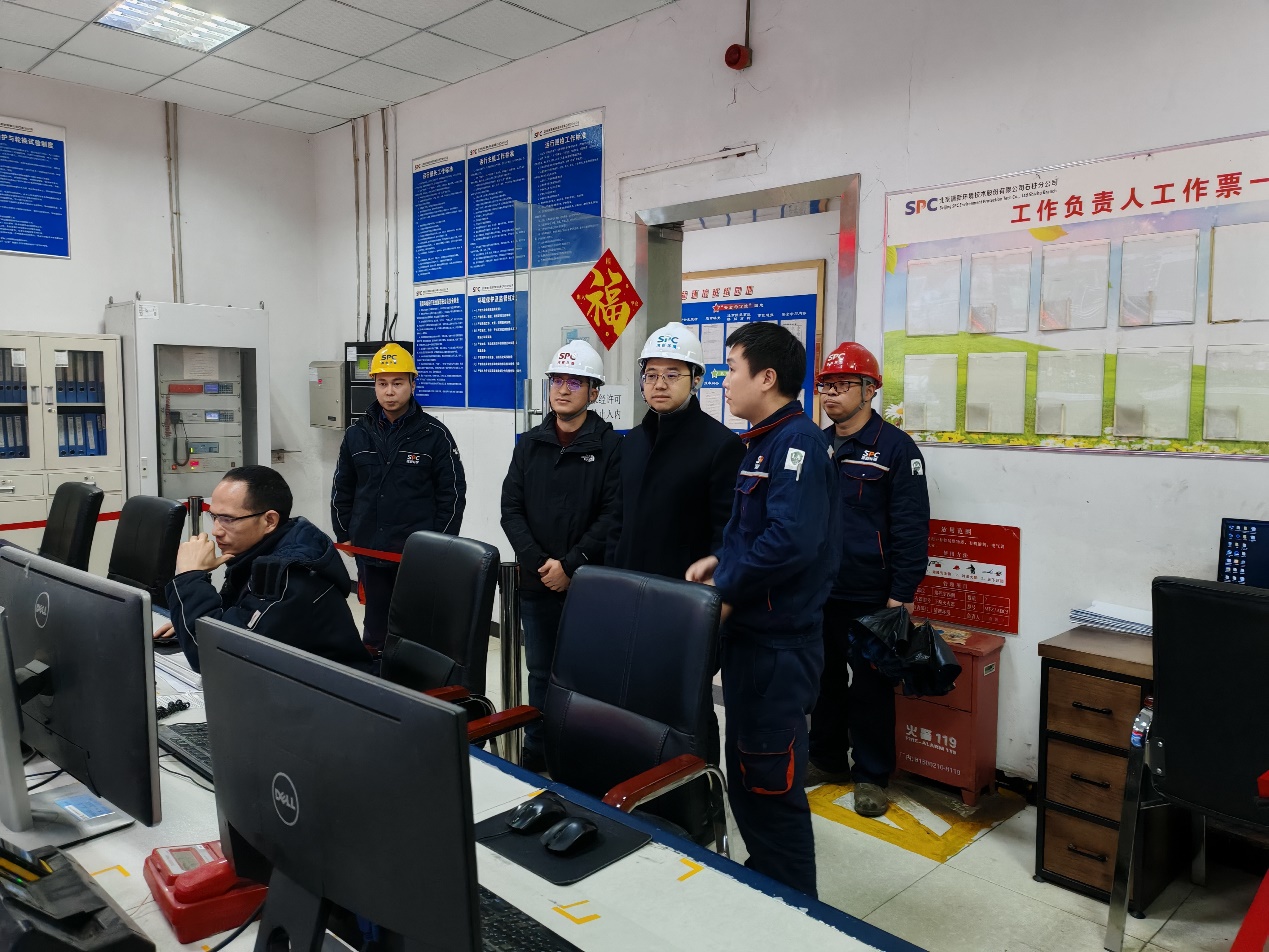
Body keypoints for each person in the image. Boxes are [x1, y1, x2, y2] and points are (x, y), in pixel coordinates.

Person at [685, 322, 838, 898]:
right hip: (754, 641)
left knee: (771, 783)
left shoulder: (797, 445)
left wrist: (725, 587)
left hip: (778, 647)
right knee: (750, 775)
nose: (725, 382)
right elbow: (757, 535)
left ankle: (795, 905)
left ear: (767, 377)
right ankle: (768, 882)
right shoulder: (764, 442)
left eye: (731, 370)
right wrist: (719, 560)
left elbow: (791, 542)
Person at [806, 341, 930, 817]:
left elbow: (911, 525)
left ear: (870, 390)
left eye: (843, 384)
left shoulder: (897, 449)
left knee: (872, 687)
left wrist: (903, 593)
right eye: (826, 385)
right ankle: (826, 758)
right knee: (824, 679)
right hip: (821, 589)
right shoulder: (815, 444)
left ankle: (872, 775)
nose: (831, 393)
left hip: (873, 593)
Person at [500, 340, 622, 772]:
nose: (563, 389)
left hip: (588, 584)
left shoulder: (611, 447)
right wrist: (540, 564)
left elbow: (613, 514)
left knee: (587, 675)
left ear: (594, 391)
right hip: (537, 583)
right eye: (557, 381)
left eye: (575, 382)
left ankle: (581, 755)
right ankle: (537, 749)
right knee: (539, 672)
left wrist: (571, 565)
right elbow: (510, 509)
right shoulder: (530, 444)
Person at [155, 466, 371, 674]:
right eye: (214, 517)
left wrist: (189, 577)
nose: (216, 531)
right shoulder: (261, 551)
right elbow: (236, 619)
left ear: (269, 521)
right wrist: (190, 619)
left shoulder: (289, 576)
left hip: (333, 692)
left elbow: (214, 657)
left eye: (228, 519)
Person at [331, 342, 466, 655]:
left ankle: (415, 680)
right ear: (374, 386)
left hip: (416, 553)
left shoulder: (434, 435)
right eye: (382, 383)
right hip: (370, 549)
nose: (389, 391)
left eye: (397, 383)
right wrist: (344, 533)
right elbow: (343, 488)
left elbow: (452, 496)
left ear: (412, 384)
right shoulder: (356, 434)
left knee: (415, 630)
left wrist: (439, 545)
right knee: (375, 630)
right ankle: (377, 679)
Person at [609, 322, 745, 580]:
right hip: (625, 585)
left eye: (672, 375)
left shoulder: (721, 445)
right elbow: (618, 521)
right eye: (651, 375)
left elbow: (726, 532)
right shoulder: (632, 441)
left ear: (696, 379)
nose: (659, 385)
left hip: (682, 588)